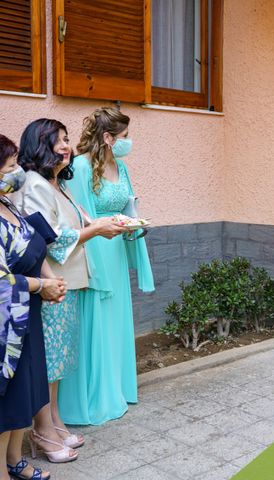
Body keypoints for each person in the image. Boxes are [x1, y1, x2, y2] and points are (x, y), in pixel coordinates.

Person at [13, 119, 128, 448]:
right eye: (57, 140)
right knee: (49, 360)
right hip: (52, 284)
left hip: (69, 281)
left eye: (66, 140)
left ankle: (56, 423)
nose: (66, 146)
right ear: (39, 144)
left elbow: (73, 225)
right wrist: (95, 231)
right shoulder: (34, 184)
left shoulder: (56, 184)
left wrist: (104, 222)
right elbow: (48, 239)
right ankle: (43, 430)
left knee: (59, 359)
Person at [57, 107, 154, 425]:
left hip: (116, 254)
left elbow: (128, 203)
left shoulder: (121, 167)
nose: (129, 141)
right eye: (125, 136)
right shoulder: (82, 167)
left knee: (115, 323)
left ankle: (118, 388)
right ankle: (96, 397)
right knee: (97, 323)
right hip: (94, 253)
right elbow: (81, 216)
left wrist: (135, 222)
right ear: (109, 138)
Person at [0, 134, 69, 480]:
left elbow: (39, 242)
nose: (18, 174)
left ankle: (15, 459)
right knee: (8, 397)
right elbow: (1, 279)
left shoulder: (10, 205)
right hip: (6, 322)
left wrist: (49, 279)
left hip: (28, 315)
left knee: (26, 391)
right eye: (11, 168)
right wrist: (43, 285)